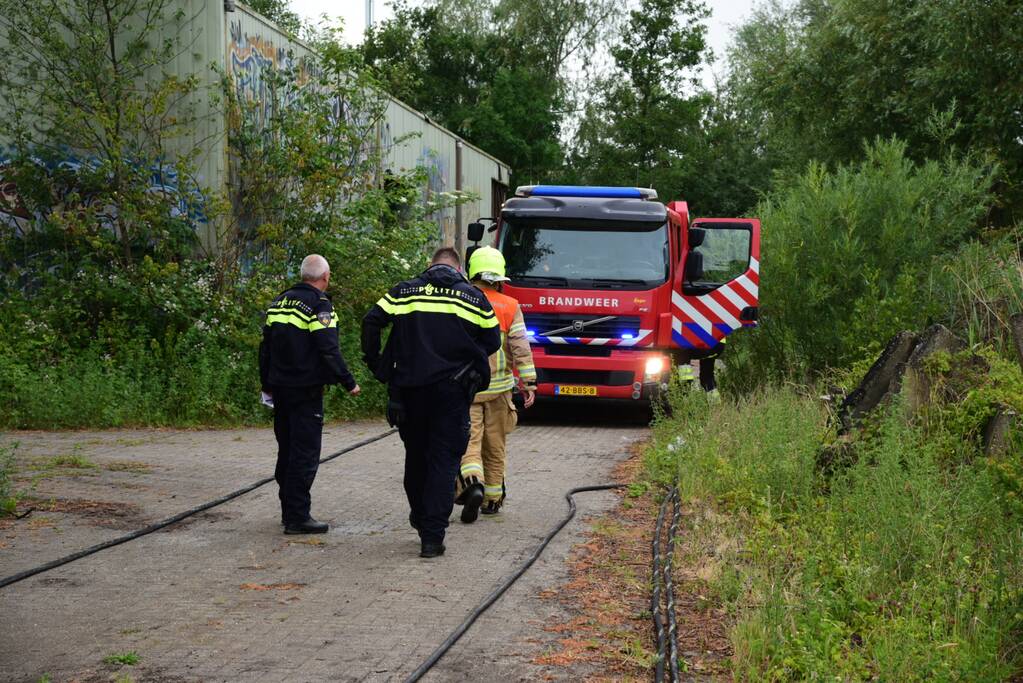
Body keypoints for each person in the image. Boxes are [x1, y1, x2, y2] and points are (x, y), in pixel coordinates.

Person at [361, 247, 501, 558]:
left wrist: (377, 364)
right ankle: (432, 536)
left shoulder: (405, 290)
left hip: (409, 392)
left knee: (416, 457)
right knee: (444, 461)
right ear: (459, 268)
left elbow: (372, 321)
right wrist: (469, 358)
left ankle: (421, 515)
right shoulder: (473, 297)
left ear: (430, 265)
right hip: (451, 393)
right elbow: (493, 340)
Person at [259, 254, 361, 535]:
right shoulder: (319, 304)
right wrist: (348, 382)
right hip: (305, 390)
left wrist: (265, 382)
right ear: (325, 278)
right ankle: (297, 517)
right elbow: (327, 348)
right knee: (304, 453)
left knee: (287, 449)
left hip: (280, 388)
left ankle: (288, 510)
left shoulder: (280, 301)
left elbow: (265, 347)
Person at [455, 246, 536, 523]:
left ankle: (472, 485)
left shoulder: (460, 301)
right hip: (500, 390)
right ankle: (492, 499)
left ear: (472, 272)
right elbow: (520, 347)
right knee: (495, 445)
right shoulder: (510, 306)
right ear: (499, 276)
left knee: (469, 442)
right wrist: (529, 383)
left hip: (468, 390)